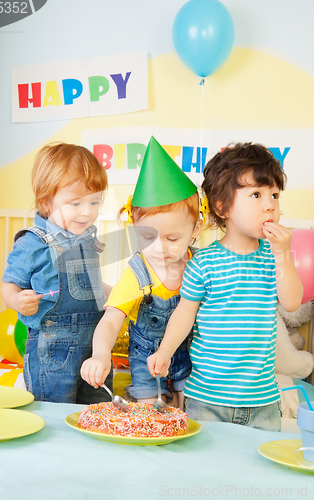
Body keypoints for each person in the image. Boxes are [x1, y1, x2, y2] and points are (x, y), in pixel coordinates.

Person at [147, 142, 303, 431]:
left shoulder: (275, 259)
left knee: (258, 471)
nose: (269, 204)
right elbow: (184, 314)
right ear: (222, 206)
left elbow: (292, 302)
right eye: (256, 194)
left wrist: (283, 254)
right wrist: (165, 351)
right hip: (207, 400)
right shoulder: (204, 263)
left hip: (263, 401)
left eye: (274, 195)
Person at [81, 136, 204, 409]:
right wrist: (101, 355)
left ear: (195, 230)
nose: (159, 248)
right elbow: (111, 321)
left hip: (188, 356)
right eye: (147, 236)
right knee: (149, 412)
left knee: (189, 411)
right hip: (145, 361)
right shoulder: (137, 274)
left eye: (172, 238)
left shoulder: (201, 265)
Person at [1, 142, 113, 404]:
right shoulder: (32, 243)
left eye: (94, 201)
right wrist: (17, 300)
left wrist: (116, 295)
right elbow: (8, 286)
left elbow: (92, 285)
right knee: (53, 411)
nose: (87, 211)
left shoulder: (87, 240)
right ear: (46, 202)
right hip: (52, 349)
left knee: (96, 409)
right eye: (75, 203)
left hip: (94, 345)